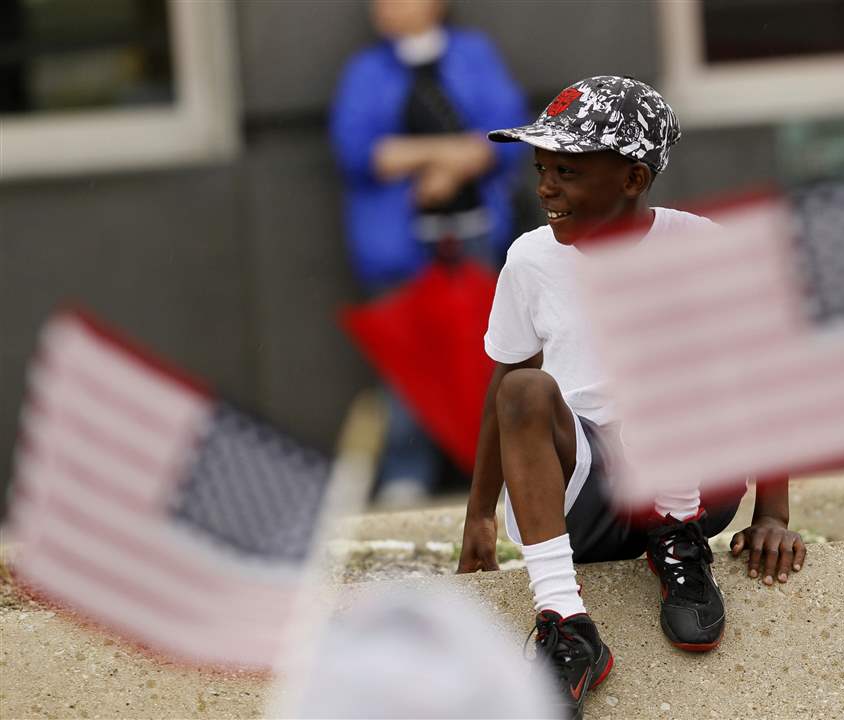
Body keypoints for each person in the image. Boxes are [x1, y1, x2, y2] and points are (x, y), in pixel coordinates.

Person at [456, 76, 806, 719]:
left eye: (566, 170)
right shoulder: (530, 258)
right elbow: (503, 393)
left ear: (633, 180)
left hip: (693, 484)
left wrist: (773, 513)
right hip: (586, 492)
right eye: (540, 169)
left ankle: (678, 550)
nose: (545, 189)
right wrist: (479, 512)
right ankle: (566, 622)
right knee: (526, 385)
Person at [330, 0, 528, 506]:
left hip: (476, 235)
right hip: (397, 244)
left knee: (488, 352)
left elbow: (505, 131)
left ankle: (494, 468)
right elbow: (358, 149)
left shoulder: (473, 55)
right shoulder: (366, 70)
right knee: (406, 359)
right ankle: (406, 470)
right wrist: (450, 154)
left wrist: (446, 165)